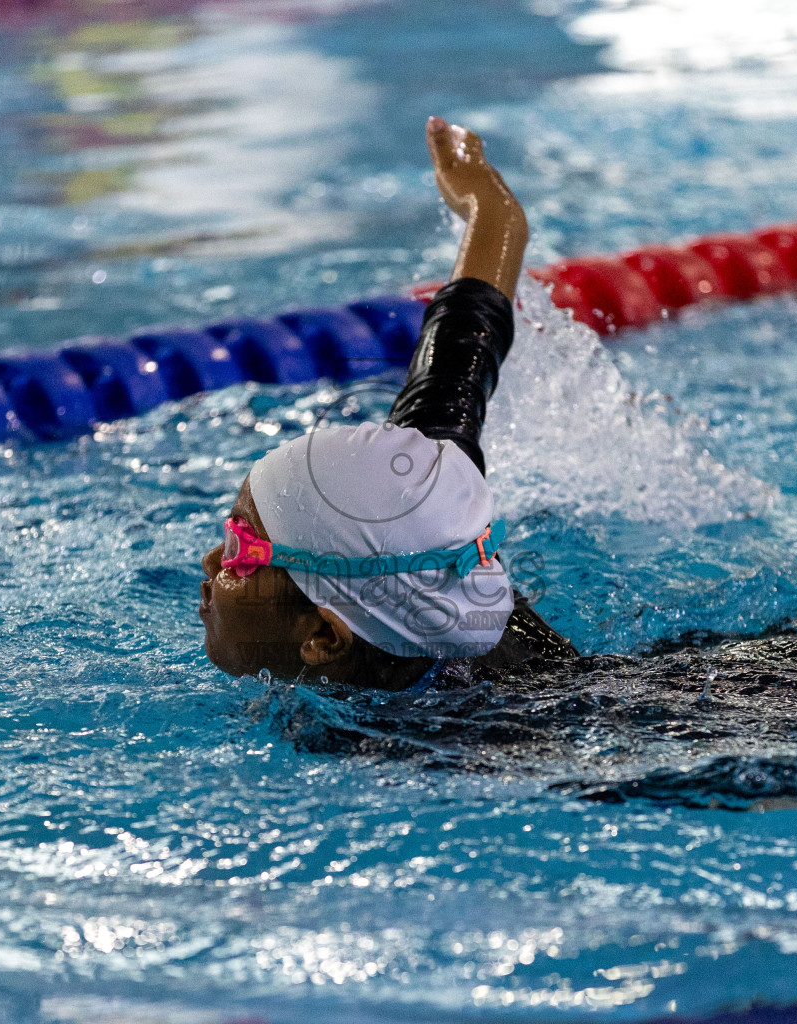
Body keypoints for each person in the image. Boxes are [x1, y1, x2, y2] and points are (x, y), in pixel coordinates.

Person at [199, 116, 575, 690]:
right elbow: (456, 359)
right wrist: (488, 210)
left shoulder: (449, 757)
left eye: (241, 551)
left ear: (325, 637)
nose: (208, 563)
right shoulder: (426, 519)